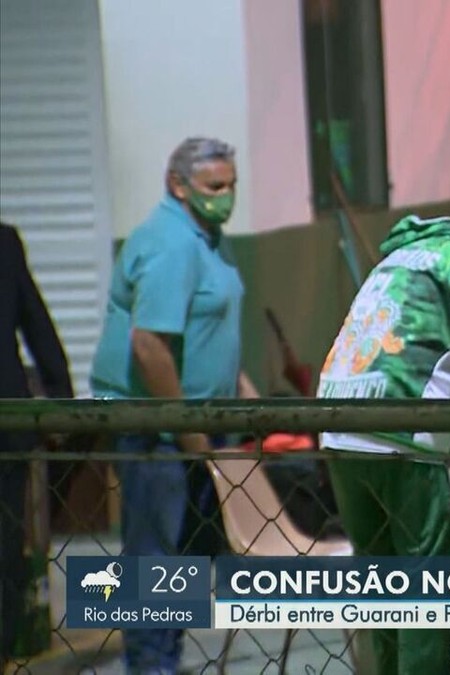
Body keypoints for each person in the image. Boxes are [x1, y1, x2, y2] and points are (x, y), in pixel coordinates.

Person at [316, 182, 450, 675]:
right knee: (428, 586)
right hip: (399, 433)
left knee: (380, 582)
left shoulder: (402, 256)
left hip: (334, 426)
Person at [90, 137, 258, 674]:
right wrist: (189, 432)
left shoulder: (208, 238)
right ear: (178, 185)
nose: (226, 196)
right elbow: (150, 344)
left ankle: (166, 659)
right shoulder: (169, 243)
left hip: (201, 422)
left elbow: (211, 331)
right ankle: (153, 665)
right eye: (215, 187)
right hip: (160, 431)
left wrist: (245, 394)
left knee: (184, 559)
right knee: (154, 558)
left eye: (231, 185)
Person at [0, 223, 74, 669]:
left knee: (7, 548)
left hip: (7, 429)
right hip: (7, 424)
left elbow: (36, 325)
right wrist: (61, 402)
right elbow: (37, 325)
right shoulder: (4, 243)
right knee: (5, 548)